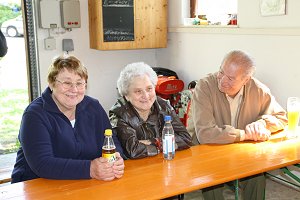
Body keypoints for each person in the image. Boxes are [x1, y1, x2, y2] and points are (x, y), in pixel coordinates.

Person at [188, 50, 288, 200]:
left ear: (246, 80)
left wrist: (261, 124)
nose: (222, 81)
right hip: (206, 149)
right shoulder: (205, 87)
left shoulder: (258, 89)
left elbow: (282, 117)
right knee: (211, 179)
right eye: (221, 72)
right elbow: (205, 134)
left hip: (238, 150)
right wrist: (244, 134)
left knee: (256, 175)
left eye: (231, 78)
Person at [11, 55, 125, 183]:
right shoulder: (34, 115)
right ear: (51, 83)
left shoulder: (94, 107)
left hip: (81, 184)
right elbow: (42, 164)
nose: (74, 89)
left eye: (79, 83)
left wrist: (117, 158)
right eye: (67, 83)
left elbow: (110, 139)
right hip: (36, 186)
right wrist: (91, 169)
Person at [109, 62, 193, 159]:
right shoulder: (119, 113)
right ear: (126, 95)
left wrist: (154, 142)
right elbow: (133, 151)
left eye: (149, 89)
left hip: (161, 163)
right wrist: (167, 144)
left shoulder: (163, 105)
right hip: (135, 169)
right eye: (138, 91)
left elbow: (186, 139)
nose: (146, 96)